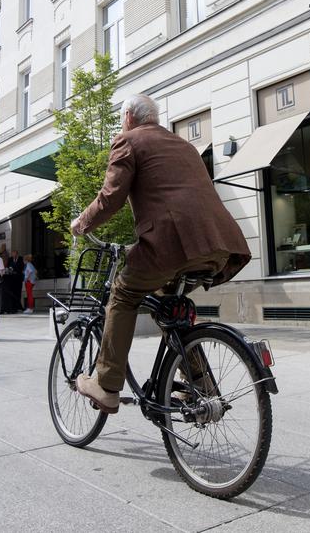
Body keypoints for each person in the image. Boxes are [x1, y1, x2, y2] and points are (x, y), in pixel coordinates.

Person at [70, 94, 251, 414]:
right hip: (218, 245)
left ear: (128, 116)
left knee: (123, 294)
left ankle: (107, 385)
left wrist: (81, 224)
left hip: (172, 246)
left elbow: (110, 199)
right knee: (169, 304)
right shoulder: (184, 146)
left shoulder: (127, 141)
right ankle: (201, 382)